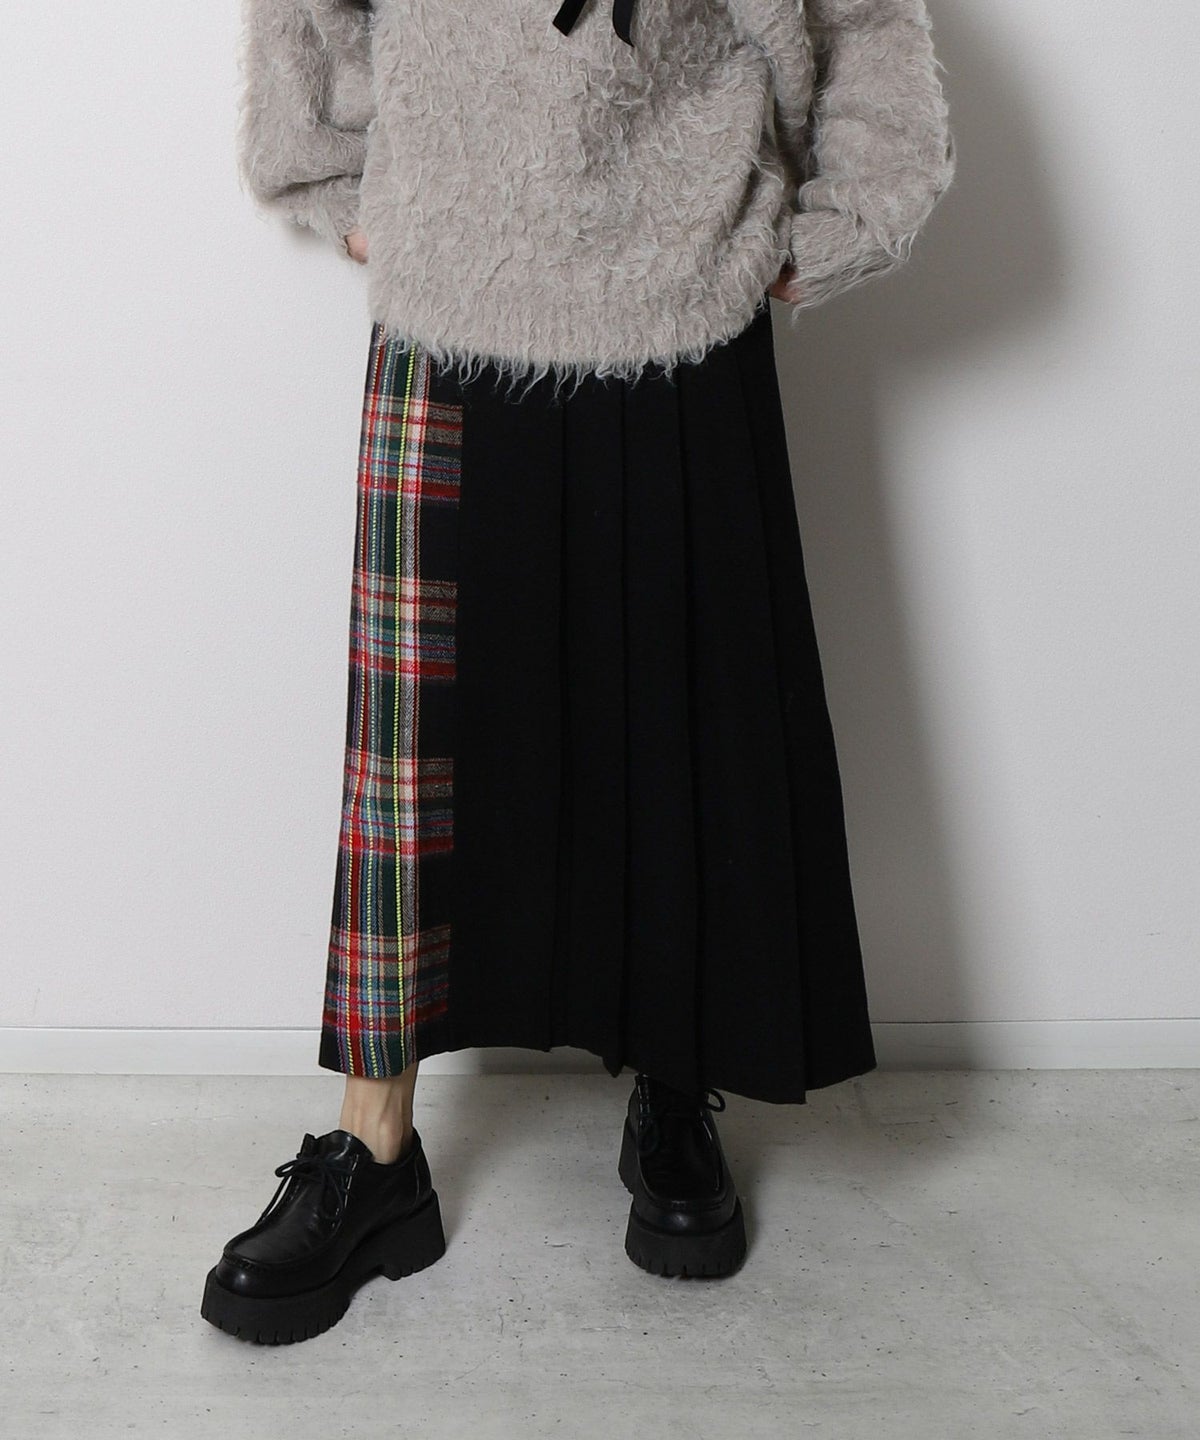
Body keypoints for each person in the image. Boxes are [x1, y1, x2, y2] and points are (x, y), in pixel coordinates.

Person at [201, 0, 955, 1343]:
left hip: (688, 272)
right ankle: (374, 1148)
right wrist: (334, 177)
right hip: (453, 279)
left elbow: (865, 17)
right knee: (412, 759)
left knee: (681, 720)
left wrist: (849, 212)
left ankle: (675, 1080)